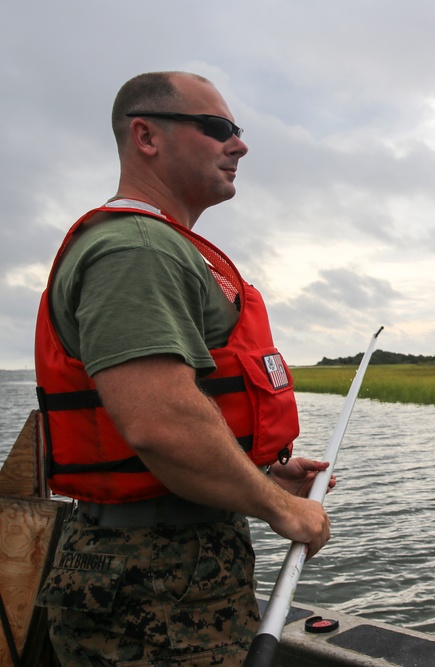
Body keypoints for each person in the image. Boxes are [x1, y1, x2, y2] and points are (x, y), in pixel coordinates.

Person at [33, 71, 333, 666]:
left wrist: (261, 479)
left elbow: (169, 423)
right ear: (146, 135)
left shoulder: (166, 247)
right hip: (151, 582)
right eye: (218, 128)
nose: (239, 144)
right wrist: (284, 509)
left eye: (237, 130)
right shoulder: (135, 249)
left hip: (176, 569)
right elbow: (161, 422)